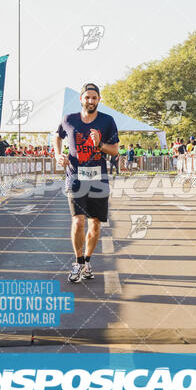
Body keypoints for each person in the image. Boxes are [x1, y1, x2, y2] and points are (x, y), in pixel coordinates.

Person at [55, 83, 119, 283]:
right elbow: (57, 136)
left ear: (99, 100)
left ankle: (88, 261)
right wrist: (58, 154)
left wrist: (99, 143)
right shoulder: (69, 119)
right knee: (78, 220)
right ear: (81, 99)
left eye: (94, 98)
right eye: (87, 97)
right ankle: (78, 261)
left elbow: (115, 150)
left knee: (96, 224)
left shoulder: (107, 121)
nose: (90, 101)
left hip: (98, 178)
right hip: (75, 177)